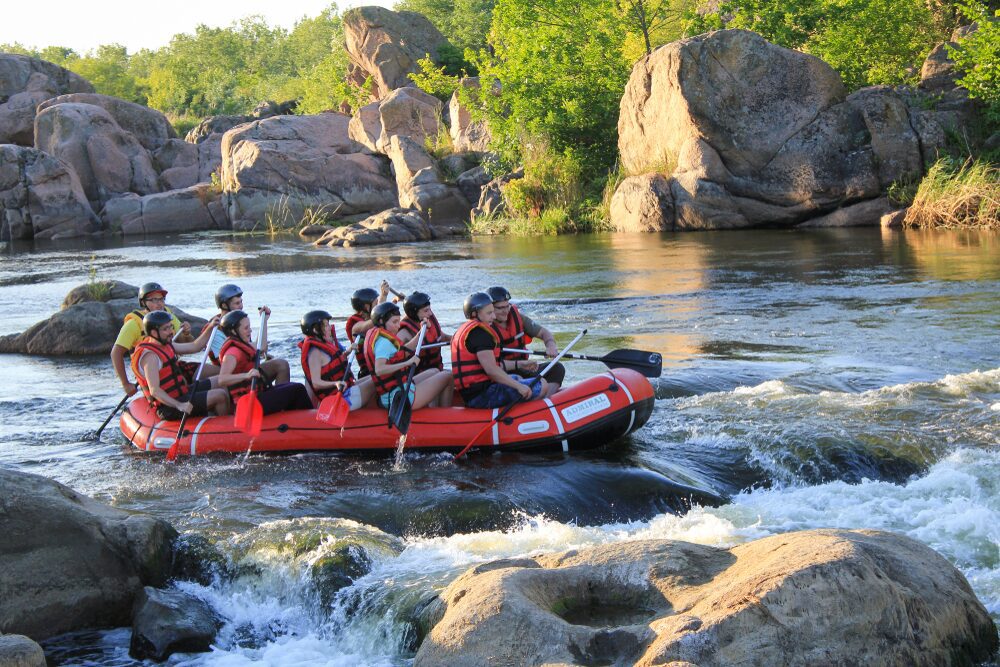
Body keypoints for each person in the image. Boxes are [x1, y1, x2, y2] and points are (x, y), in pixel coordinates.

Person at [111, 282, 217, 397]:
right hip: (154, 374)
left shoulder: (166, 315)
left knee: (219, 372)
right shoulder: (133, 324)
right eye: (154, 300)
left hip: (173, 367)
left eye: (161, 299)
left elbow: (187, 343)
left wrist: (186, 333)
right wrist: (125, 383)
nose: (159, 304)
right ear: (143, 302)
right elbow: (116, 353)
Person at [451, 292, 555, 409]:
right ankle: (523, 417)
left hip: (475, 391)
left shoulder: (467, 330)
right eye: (489, 313)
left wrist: (520, 364)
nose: (494, 317)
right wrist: (519, 387)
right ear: (475, 314)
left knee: (518, 378)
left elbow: (491, 366)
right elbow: (492, 370)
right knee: (541, 385)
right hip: (482, 395)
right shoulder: (480, 334)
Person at [131, 311, 230, 420]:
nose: (171, 332)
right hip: (169, 406)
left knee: (221, 381)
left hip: (183, 393)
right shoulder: (150, 357)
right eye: (165, 329)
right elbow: (155, 391)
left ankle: (220, 415)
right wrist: (179, 405)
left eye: (170, 327)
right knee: (220, 395)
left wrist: (211, 327)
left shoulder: (165, 344)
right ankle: (226, 428)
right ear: (154, 332)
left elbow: (195, 346)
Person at [216, 309, 312, 415]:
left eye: (249, 327)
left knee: (294, 386)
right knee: (298, 390)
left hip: (257, 395)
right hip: (249, 404)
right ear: (234, 331)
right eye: (246, 328)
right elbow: (222, 379)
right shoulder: (233, 352)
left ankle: (295, 420)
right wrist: (246, 375)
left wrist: (265, 320)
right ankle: (311, 422)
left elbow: (261, 346)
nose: (250, 331)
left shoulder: (241, 345)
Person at [363, 302, 453, 411]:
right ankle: (445, 417)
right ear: (381, 321)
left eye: (398, 321)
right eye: (394, 322)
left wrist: (421, 332)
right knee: (449, 376)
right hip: (398, 397)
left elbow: (403, 352)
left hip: (398, 389)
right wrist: (407, 363)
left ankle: (433, 410)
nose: (398, 325)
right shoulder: (384, 342)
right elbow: (380, 369)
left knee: (434, 371)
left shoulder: (383, 338)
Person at [486, 286, 566, 391]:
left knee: (557, 368)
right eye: (500, 308)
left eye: (507, 306)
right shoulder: (485, 328)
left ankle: (546, 400)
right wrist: (519, 365)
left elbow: (543, 332)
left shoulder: (517, 317)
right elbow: (490, 367)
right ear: (489, 308)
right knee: (517, 379)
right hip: (503, 373)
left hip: (523, 368)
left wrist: (551, 346)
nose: (505, 311)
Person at [210, 283, 290, 384]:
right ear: (224, 305)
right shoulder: (215, 331)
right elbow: (228, 361)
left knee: (281, 364)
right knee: (280, 365)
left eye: (241, 302)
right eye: (237, 303)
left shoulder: (240, 323)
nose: (241, 306)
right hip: (236, 377)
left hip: (247, 369)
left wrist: (264, 320)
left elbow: (259, 347)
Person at [298, 310, 375, 411]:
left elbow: (333, 364)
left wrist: (348, 351)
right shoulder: (314, 353)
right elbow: (316, 383)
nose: (330, 328)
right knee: (376, 380)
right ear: (316, 330)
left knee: (375, 375)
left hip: (346, 390)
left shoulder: (324, 345)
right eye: (326, 325)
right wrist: (335, 384)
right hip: (340, 400)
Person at [396, 291, 451, 373]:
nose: (430, 313)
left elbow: (443, 337)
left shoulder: (430, 321)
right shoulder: (404, 333)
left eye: (430, 309)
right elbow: (396, 356)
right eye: (426, 311)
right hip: (417, 376)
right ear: (414, 313)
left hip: (436, 371)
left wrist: (460, 338)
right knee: (448, 375)